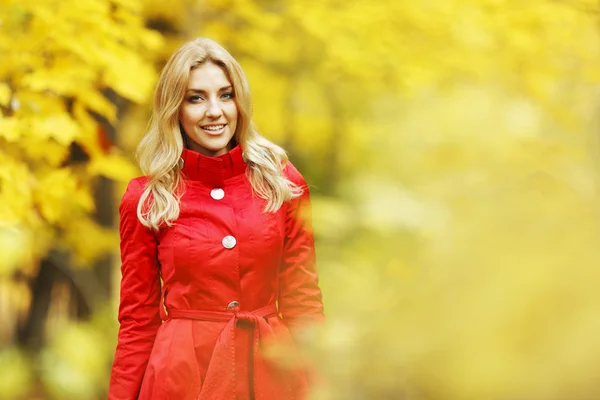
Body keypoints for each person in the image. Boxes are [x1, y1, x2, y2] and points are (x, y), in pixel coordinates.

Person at [108, 38, 325, 400]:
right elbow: (137, 321)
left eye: (226, 95)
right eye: (196, 98)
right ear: (174, 109)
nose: (215, 111)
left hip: (269, 373)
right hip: (182, 376)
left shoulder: (282, 183)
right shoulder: (147, 198)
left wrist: (321, 383)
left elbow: (303, 301)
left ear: (240, 102)